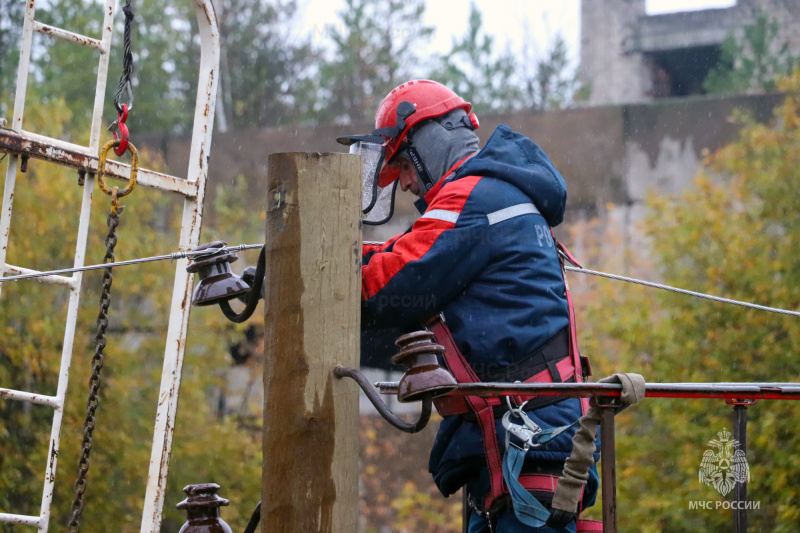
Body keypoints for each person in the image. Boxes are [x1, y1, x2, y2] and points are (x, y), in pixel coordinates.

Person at [341, 80, 598, 532]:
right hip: (529, 438)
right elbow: (401, 251)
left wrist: (307, 272)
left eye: (402, 165)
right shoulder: (489, 195)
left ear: (427, 142)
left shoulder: (473, 197)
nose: (402, 181)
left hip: (529, 441)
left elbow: (385, 284)